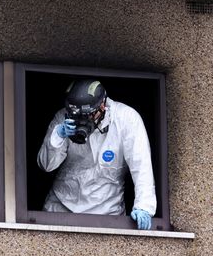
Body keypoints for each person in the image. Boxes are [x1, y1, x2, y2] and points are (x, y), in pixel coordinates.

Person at [37, 79, 156, 230]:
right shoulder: (63, 118)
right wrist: (58, 136)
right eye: (78, 115)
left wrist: (144, 206)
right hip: (61, 208)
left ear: (102, 105)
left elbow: (141, 165)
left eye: (88, 115)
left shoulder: (127, 119)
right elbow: (46, 165)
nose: (83, 120)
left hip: (107, 213)